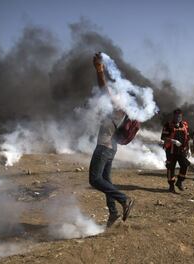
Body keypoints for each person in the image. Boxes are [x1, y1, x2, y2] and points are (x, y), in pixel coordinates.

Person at [89, 53, 134, 227]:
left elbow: (103, 89)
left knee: (94, 179)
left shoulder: (119, 107)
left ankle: (124, 199)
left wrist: (99, 70)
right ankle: (113, 213)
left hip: (104, 147)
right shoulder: (126, 111)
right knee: (106, 181)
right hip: (111, 148)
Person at [161, 109, 191, 193]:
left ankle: (179, 182)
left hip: (181, 150)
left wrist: (189, 149)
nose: (178, 118)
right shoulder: (168, 125)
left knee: (185, 165)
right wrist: (173, 141)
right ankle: (171, 186)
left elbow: (188, 138)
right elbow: (163, 137)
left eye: (180, 117)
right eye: (177, 116)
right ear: (173, 116)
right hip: (171, 151)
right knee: (171, 168)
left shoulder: (184, 125)